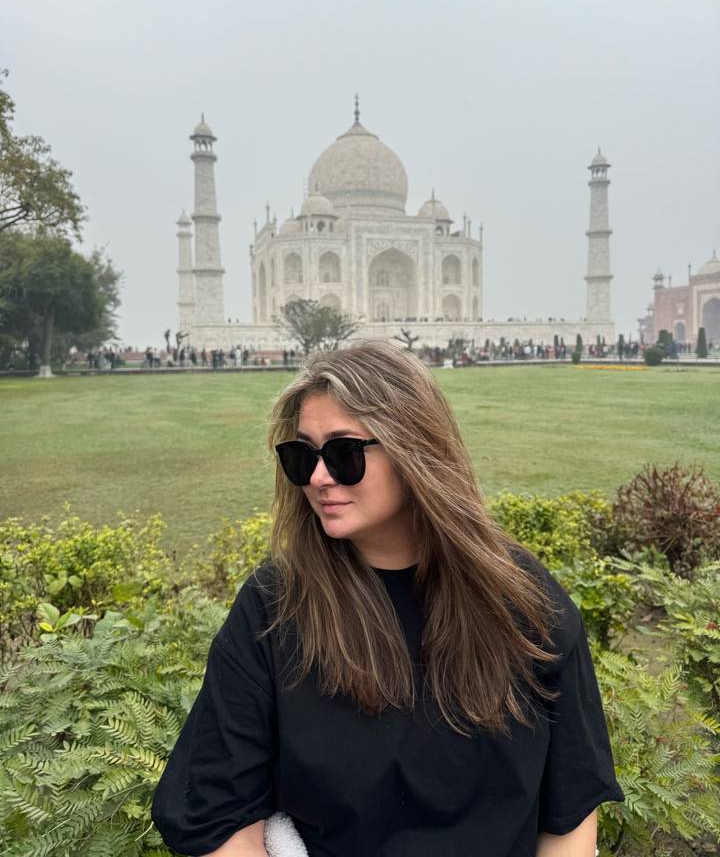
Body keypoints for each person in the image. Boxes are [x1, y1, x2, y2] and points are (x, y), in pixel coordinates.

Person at [151, 339, 624, 857]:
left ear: (414, 449)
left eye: (343, 453)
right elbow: (219, 815)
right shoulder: (278, 605)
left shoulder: (521, 597)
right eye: (301, 456)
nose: (318, 477)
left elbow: (570, 810)